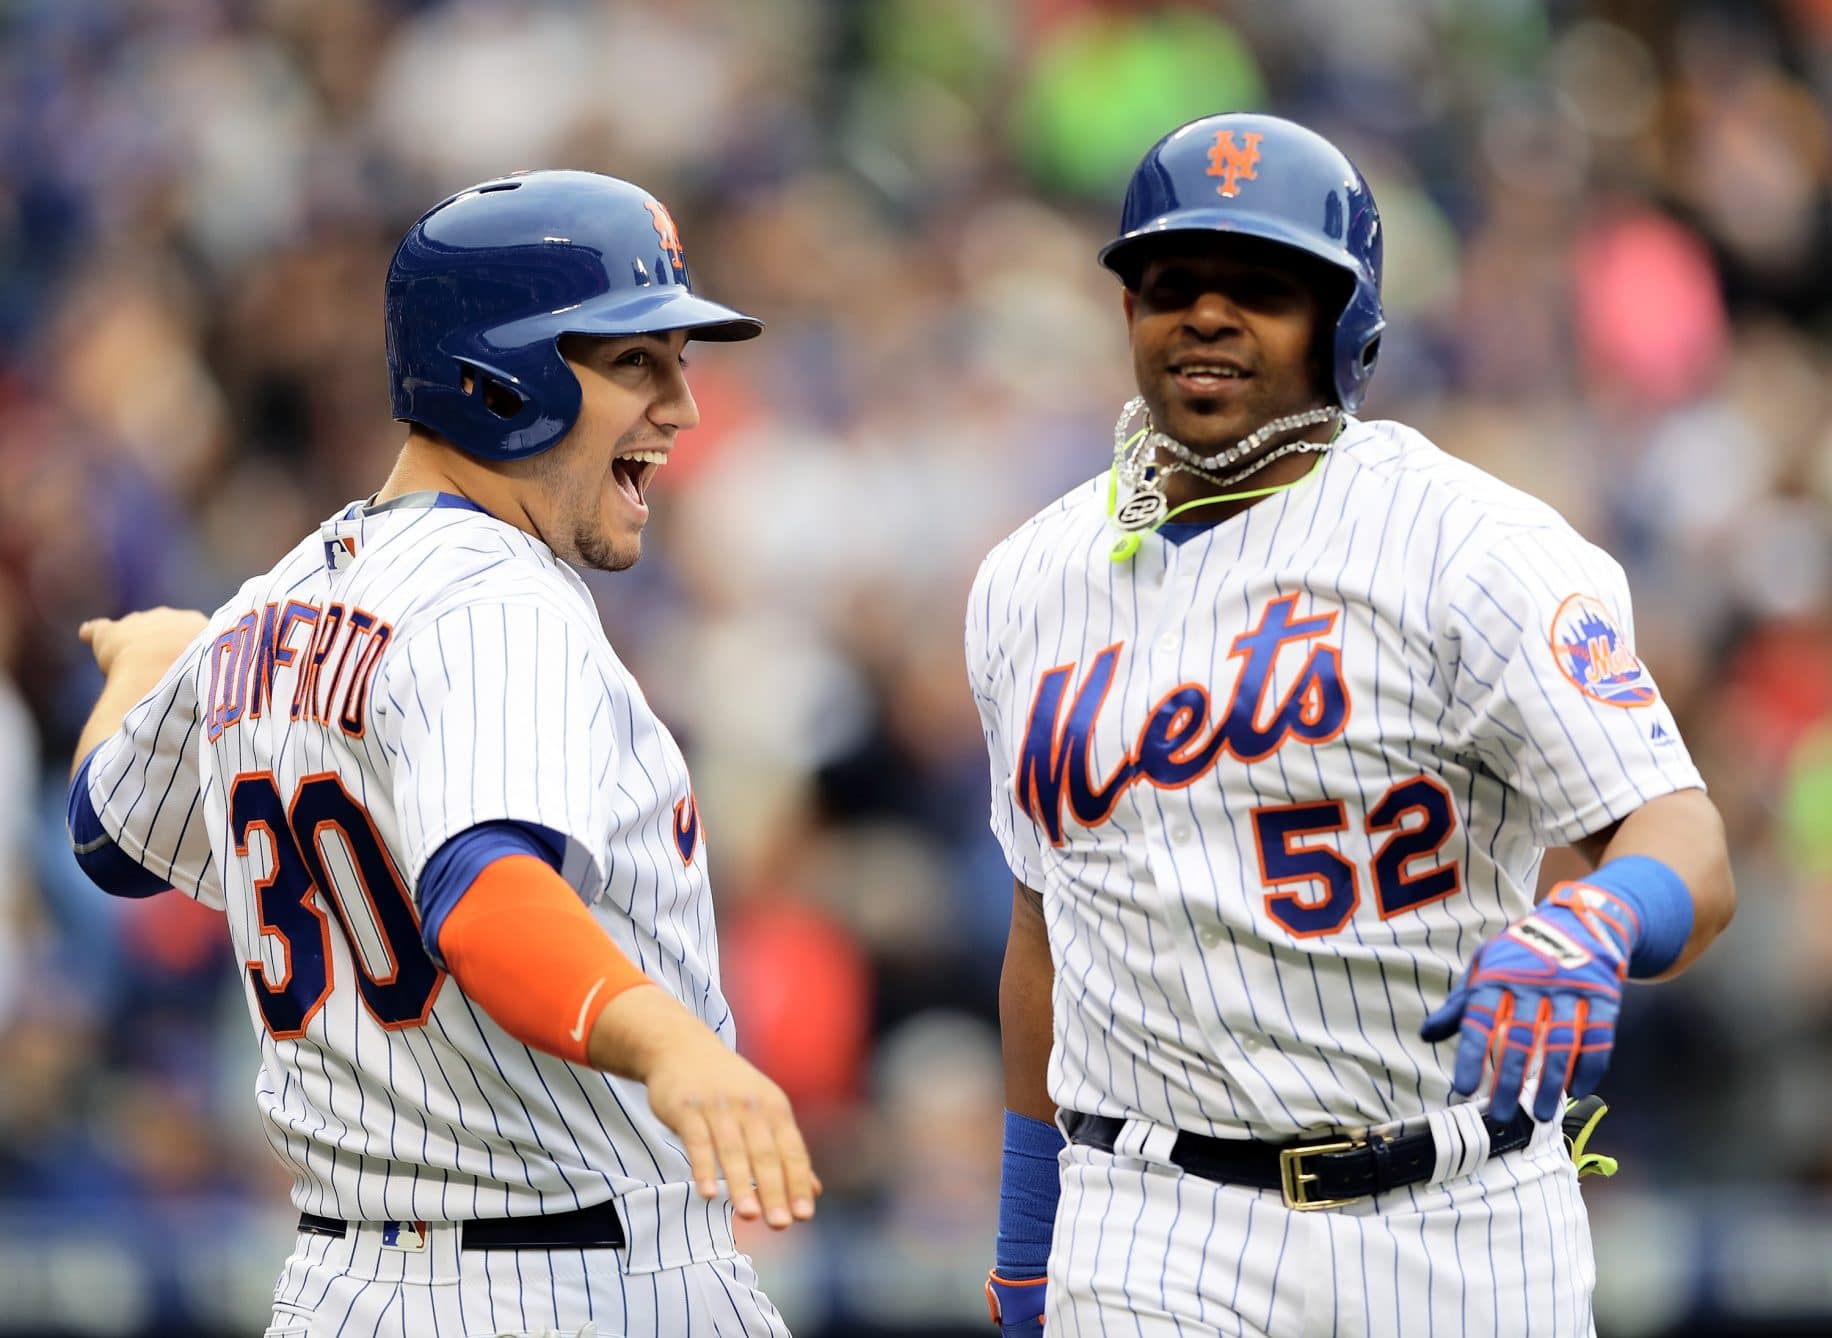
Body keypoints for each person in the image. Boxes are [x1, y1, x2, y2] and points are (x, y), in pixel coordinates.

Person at [966, 114, 1734, 1336]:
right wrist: (1022, 1242)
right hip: (1150, 1218)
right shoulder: (1024, 580)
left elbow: (1682, 837)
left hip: (1457, 1215)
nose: (1205, 316)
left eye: (1261, 289)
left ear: (1346, 328)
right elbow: (1040, 930)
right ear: (1126, 315)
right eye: (1171, 285)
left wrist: (1602, 914)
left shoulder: (1472, 549)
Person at [68, 170, 816, 1337]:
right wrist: (670, 1046)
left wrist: (136, 674)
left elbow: (107, 835)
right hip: (572, 1281)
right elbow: (485, 897)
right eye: (635, 364)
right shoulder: (496, 604)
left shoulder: (270, 605)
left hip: (340, 1290)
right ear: (496, 375)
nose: (681, 407)